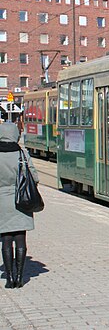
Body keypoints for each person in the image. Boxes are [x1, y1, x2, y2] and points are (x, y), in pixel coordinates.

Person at [0, 122, 39, 288]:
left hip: (2, 202)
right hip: (21, 201)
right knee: (20, 238)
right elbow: (35, 177)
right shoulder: (22, 154)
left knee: (6, 239)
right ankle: (20, 276)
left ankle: (9, 278)